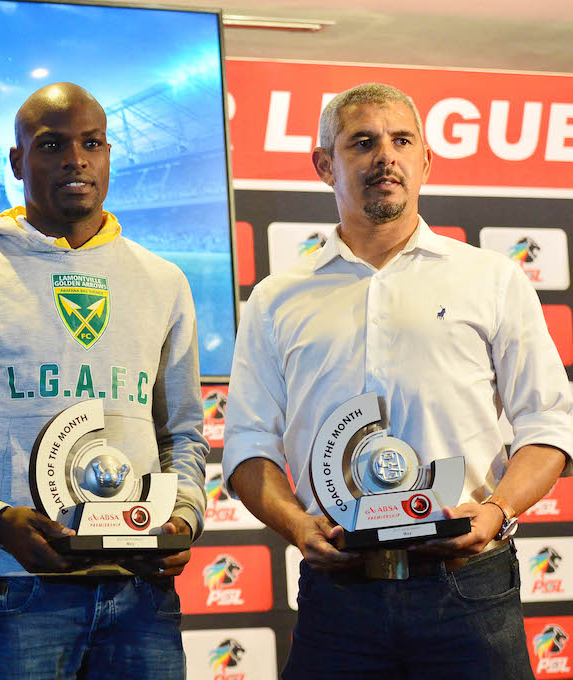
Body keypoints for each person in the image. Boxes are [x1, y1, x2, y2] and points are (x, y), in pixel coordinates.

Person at [222, 81, 573, 679]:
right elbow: (248, 445)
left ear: (425, 160)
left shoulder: (493, 279)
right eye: (362, 142)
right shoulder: (276, 299)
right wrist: (298, 525)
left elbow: (548, 424)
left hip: (468, 587)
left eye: (401, 139)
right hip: (339, 597)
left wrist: (494, 512)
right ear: (324, 164)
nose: (385, 155)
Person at [0, 82, 207, 679]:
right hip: (21, 593)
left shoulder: (163, 282)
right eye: (51, 144)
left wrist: (183, 518)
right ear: (18, 161)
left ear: (107, 154)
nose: (75, 159)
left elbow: (183, 435)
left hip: (141, 594)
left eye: (91, 143)